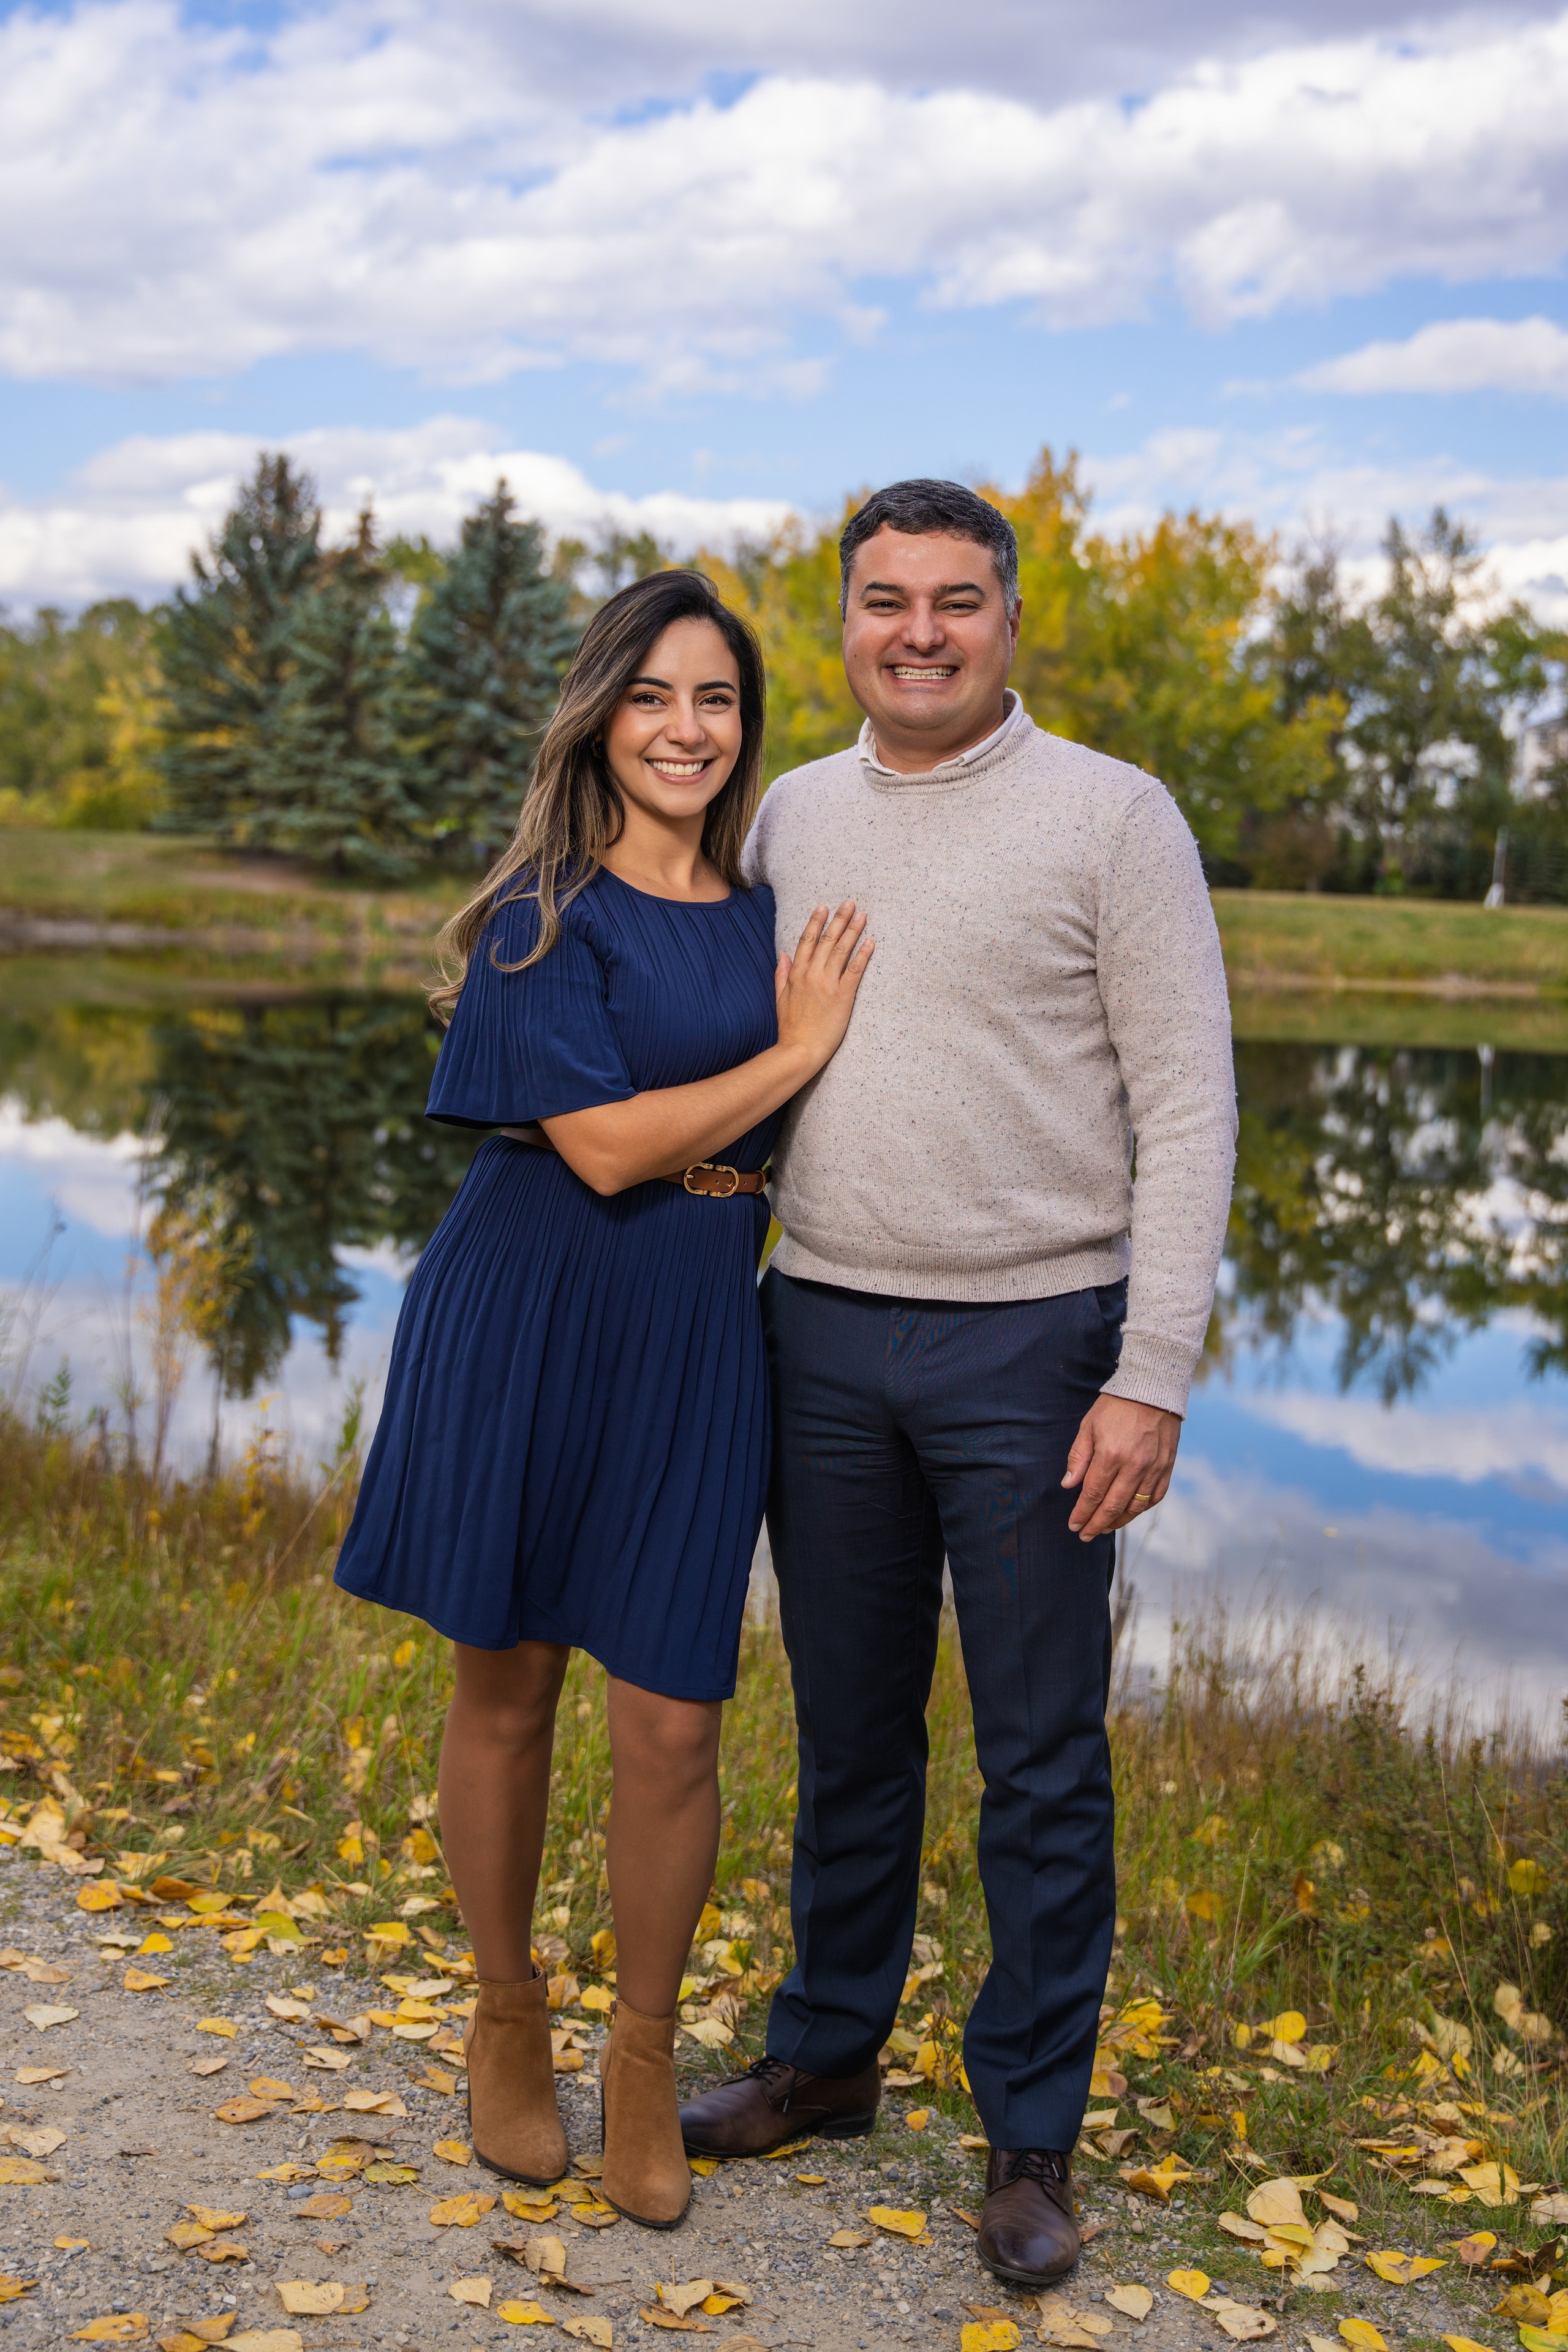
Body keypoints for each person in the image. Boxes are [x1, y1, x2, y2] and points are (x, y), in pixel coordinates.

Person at [677, 481, 1237, 2288]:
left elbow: (1190, 1106)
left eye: (956, 601)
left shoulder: (1115, 815)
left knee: (1041, 1757)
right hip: (821, 1330)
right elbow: (760, 1052)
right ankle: (827, 2057)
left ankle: (1030, 2138)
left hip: (1037, 1344)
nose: (919, 632)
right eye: (886, 600)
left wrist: (1151, 1375)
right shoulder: (790, 809)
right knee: (849, 1730)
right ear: (845, 619)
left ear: (1008, 619)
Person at [334, 569, 872, 2231]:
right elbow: (611, 1147)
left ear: (745, 728)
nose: (685, 729)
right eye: (652, 697)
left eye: (715, 699)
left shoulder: (772, 913)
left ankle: (641, 2052)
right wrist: (796, 1057)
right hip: (529, 1307)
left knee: (676, 1717)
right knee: (506, 1689)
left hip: (698, 1325)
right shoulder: (541, 915)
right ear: (600, 718)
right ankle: (507, 2013)